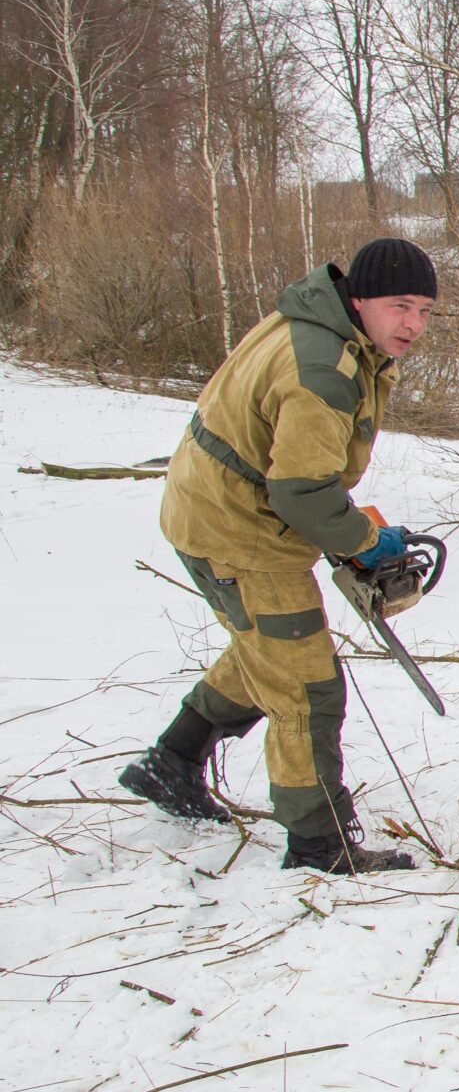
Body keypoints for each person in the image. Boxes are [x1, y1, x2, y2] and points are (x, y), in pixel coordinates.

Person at [119, 238, 440, 874]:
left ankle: (172, 762)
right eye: (401, 306)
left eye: (426, 311)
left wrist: (345, 527)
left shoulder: (320, 326)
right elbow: (300, 492)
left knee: (268, 651)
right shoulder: (325, 366)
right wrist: (363, 542)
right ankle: (320, 845)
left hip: (216, 513)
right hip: (241, 533)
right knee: (307, 688)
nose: (413, 325)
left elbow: (297, 471)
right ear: (360, 298)